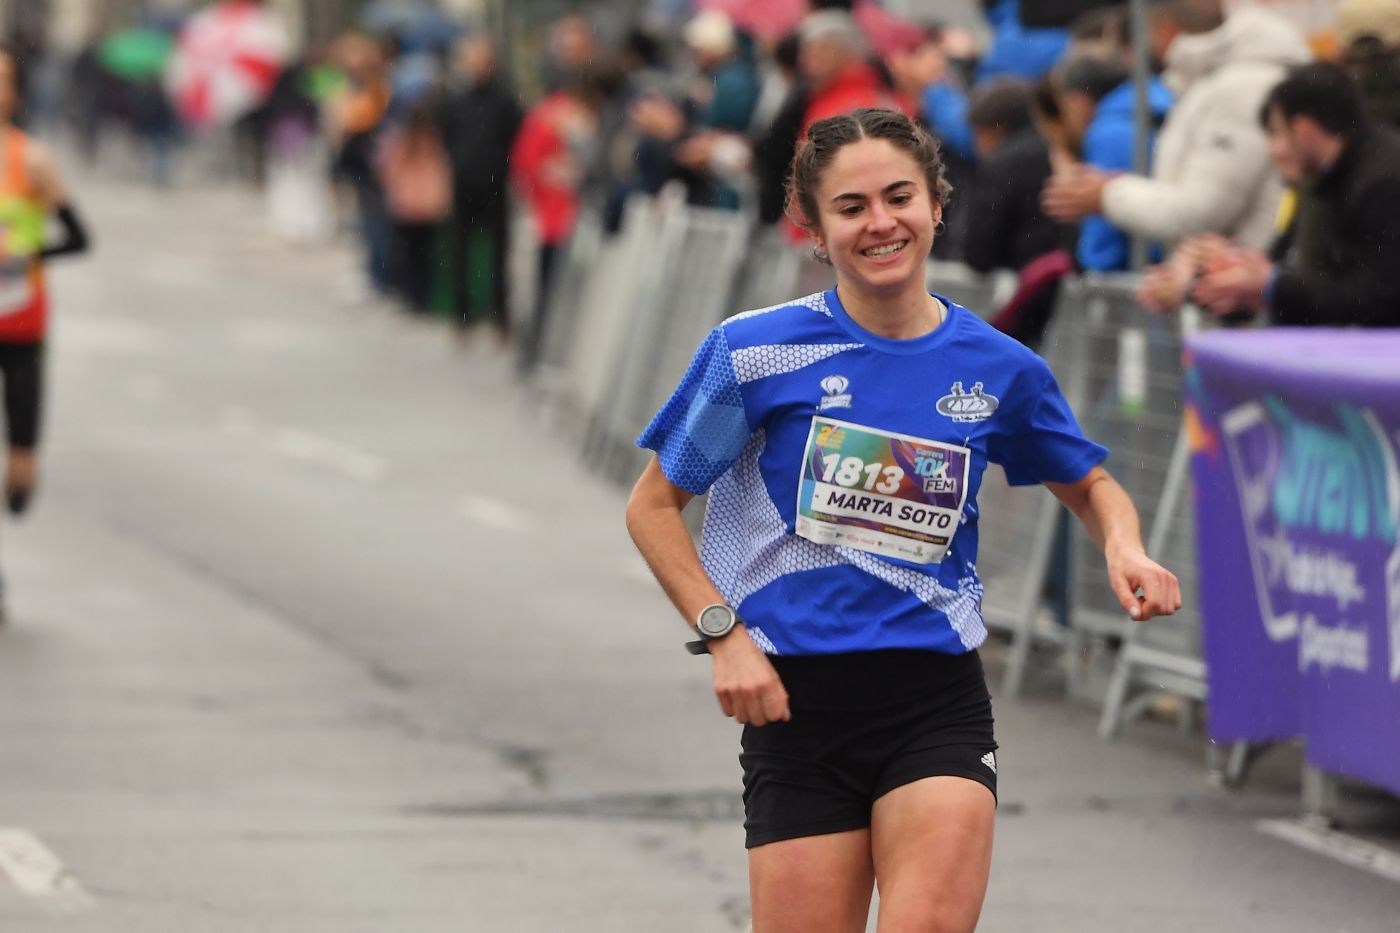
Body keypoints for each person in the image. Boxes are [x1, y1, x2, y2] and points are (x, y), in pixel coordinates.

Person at [625, 108, 1180, 933]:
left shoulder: (997, 366)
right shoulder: (756, 353)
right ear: (813, 225)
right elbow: (653, 507)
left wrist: (1126, 548)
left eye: (899, 197)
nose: (881, 223)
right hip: (794, 707)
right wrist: (724, 634)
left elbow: (1092, 483)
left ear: (936, 204)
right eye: (852, 207)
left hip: (934, 700)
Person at [1042, 0, 1310, 252]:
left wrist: (1108, 195)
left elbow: (1202, 211)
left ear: (1165, 28)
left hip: (1237, 286)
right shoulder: (1221, 81)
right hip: (1224, 279)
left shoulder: (1239, 89)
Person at [1187, 62, 1400, 327]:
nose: (1273, 151)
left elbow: (1378, 297)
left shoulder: (1380, 183)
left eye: (1277, 132)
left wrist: (1272, 283)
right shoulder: (1323, 182)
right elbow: (1302, 279)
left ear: (1303, 130)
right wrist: (1236, 274)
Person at [0, 49, 91, 623]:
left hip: (22, 324)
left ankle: (21, 477)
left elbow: (81, 238)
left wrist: (29, 254)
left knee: (20, 475)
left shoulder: (33, 159)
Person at [442, 35, 520, 338]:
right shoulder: (457, 101)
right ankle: (463, 315)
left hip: (496, 183)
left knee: (499, 253)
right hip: (464, 183)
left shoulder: (505, 101)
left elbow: (514, 139)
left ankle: (500, 315)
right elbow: (449, 137)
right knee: (460, 252)